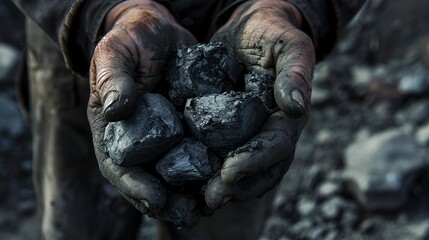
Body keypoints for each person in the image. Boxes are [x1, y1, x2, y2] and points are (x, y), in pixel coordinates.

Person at [12, 0, 365, 239]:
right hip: (78, 33)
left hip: (254, 43)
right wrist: (99, 10)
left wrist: (291, 6)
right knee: (79, 224)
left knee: (224, 208)